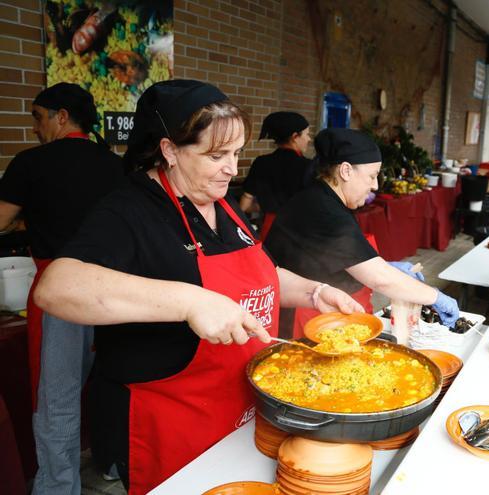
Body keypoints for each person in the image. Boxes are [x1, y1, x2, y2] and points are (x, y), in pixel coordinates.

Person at [33, 80, 362, 495]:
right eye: (216, 155)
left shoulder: (220, 202)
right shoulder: (131, 208)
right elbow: (56, 287)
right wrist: (189, 301)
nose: (232, 168)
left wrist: (314, 292)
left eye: (237, 154)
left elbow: (259, 273)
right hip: (170, 421)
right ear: (169, 150)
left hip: (238, 409)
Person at [0, 82, 124, 494]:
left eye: (38, 117)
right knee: (114, 380)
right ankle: (112, 464)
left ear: (61, 117)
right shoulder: (115, 165)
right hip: (115, 290)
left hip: (61, 290)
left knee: (58, 398)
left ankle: (57, 487)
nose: (35, 127)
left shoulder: (31, 162)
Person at [265, 127, 459, 338]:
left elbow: (351, 258)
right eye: (372, 176)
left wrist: (387, 267)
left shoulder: (327, 198)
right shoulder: (322, 208)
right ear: (346, 171)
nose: (375, 185)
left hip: (323, 310)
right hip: (301, 318)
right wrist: (435, 297)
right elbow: (380, 279)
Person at [239, 111, 314, 239]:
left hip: (269, 231)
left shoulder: (261, 162)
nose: (309, 139)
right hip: (301, 233)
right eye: (307, 134)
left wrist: (265, 206)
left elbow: (244, 206)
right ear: (295, 136)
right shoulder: (309, 167)